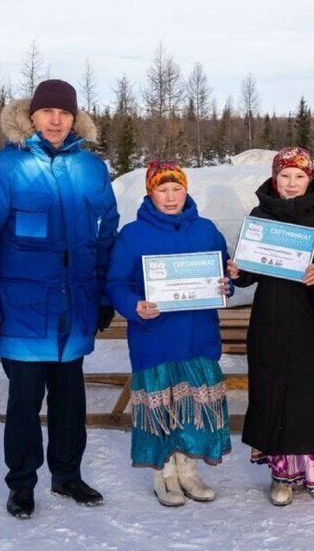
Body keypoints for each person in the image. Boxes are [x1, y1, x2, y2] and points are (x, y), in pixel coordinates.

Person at [0, 79, 119, 518]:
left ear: (74, 119)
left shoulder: (91, 169)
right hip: (22, 310)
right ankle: (22, 483)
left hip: (75, 309)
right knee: (25, 402)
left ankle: (67, 475)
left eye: (64, 113)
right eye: (47, 112)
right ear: (31, 116)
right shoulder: (0, 168)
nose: (55, 120)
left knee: (70, 400)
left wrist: (104, 294)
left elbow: (107, 236)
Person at [106, 161, 232, 506]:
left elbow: (224, 273)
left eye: (177, 188)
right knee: (162, 409)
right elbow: (115, 283)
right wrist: (135, 305)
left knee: (192, 405)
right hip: (155, 337)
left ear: (186, 190)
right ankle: (163, 475)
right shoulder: (133, 235)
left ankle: (188, 471)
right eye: (163, 189)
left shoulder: (206, 230)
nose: (171, 196)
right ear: (150, 192)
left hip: (198, 335)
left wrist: (226, 283)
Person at [227, 147, 314, 505]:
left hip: (311, 316)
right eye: (285, 176)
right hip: (270, 314)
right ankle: (281, 474)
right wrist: (239, 271)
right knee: (272, 386)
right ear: (274, 178)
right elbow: (249, 274)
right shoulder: (260, 214)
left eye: (299, 176)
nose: (291, 184)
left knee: (309, 391)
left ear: (310, 178)